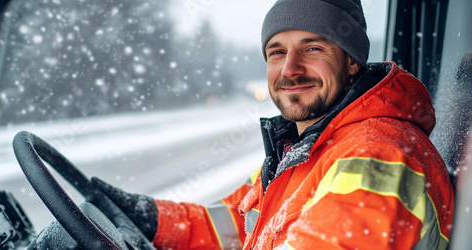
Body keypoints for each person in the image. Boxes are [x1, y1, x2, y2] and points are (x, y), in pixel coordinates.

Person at [93, 0, 455, 249]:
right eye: (277, 52)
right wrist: (150, 219)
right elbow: (237, 225)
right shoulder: (306, 149)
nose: (290, 69)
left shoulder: (376, 155)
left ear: (351, 63)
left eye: (312, 49)